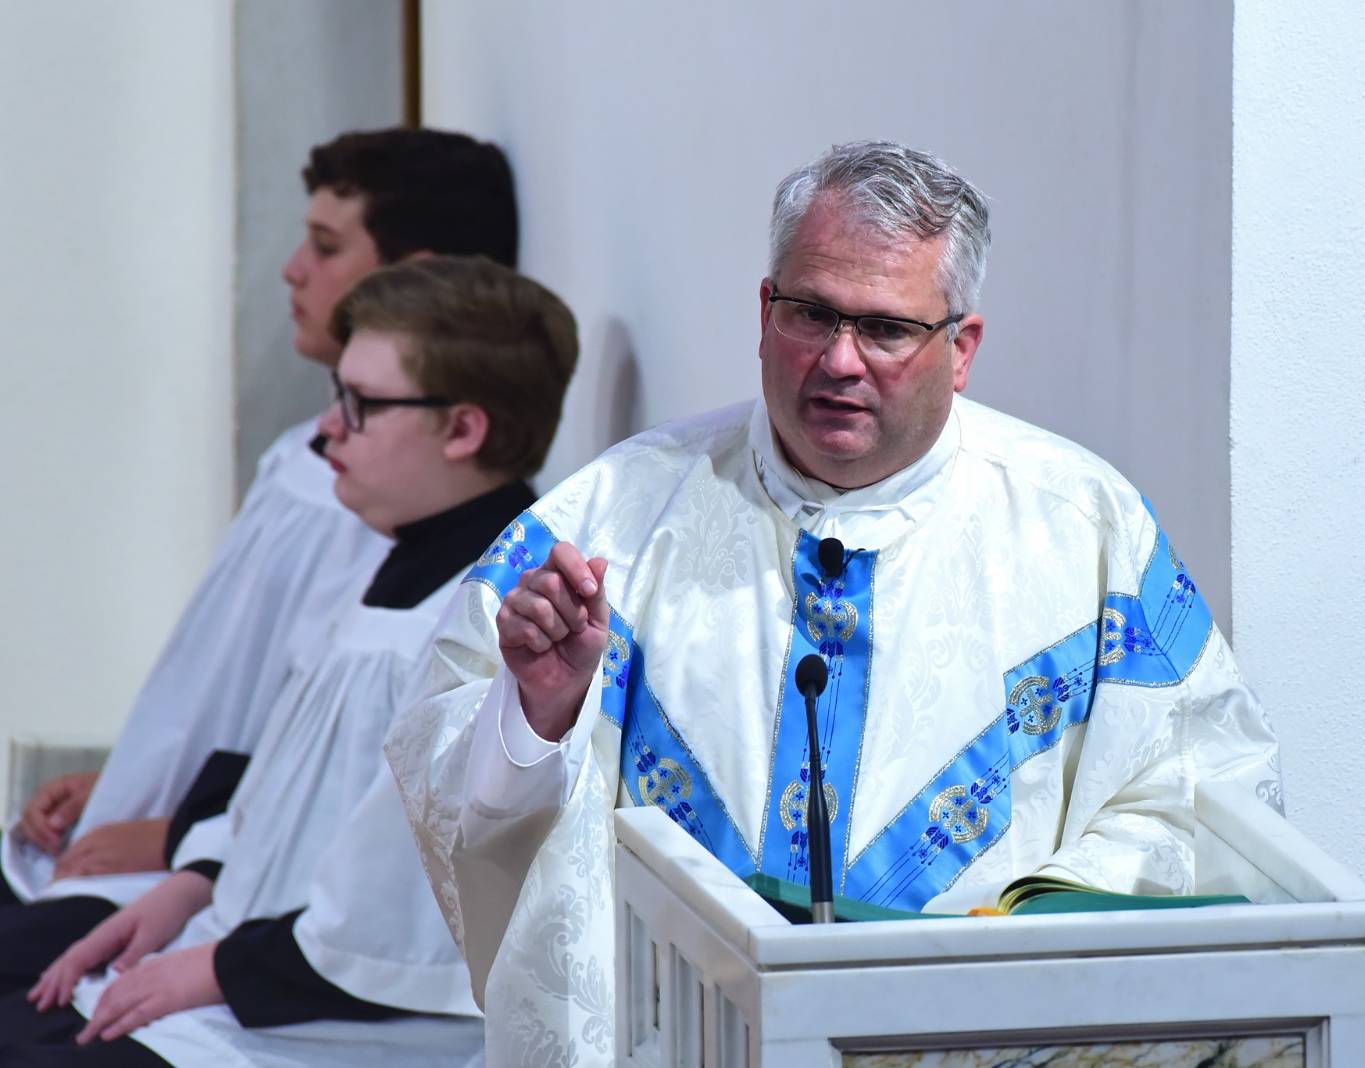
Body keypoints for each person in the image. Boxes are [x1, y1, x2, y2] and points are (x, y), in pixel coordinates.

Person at [384, 140, 1283, 1065]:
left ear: (962, 348)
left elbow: (1198, 798)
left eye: (888, 329)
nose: (841, 361)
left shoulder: (1084, 529)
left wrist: (1009, 948)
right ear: (765, 312)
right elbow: (448, 766)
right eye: (812, 313)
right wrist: (536, 715)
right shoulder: (611, 516)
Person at [0, 255, 581, 1067]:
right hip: (248, 951)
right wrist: (195, 878)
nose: (326, 428)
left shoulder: (503, 618)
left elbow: (414, 905)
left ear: (462, 428)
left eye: (360, 404)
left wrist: (222, 966)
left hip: (342, 1024)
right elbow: (294, 791)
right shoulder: (405, 554)